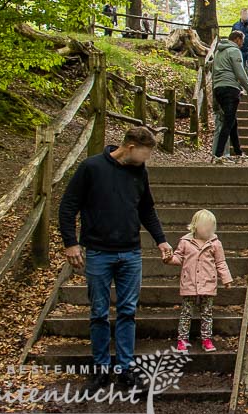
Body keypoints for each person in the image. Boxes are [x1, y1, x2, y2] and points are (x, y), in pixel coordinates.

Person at [58, 126, 173, 394]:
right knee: (98, 312)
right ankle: (99, 368)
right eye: (145, 153)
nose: (147, 159)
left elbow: (146, 209)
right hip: (98, 252)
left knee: (127, 311)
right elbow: (68, 206)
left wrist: (161, 240)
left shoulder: (139, 172)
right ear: (131, 147)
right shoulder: (92, 168)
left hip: (130, 252)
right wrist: (70, 243)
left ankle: (125, 368)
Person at [164, 210, 232, 353]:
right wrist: (169, 259)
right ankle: (182, 339)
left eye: (211, 227)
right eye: (205, 227)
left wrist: (226, 278)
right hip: (189, 282)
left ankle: (206, 339)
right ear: (195, 226)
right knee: (186, 313)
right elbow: (178, 258)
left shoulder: (215, 243)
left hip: (208, 283)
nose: (208, 230)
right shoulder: (185, 242)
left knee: (206, 313)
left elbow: (221, 262)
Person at [211, 30, 248, 164]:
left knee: (232, 122)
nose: (242, 44)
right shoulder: (234, 51)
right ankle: (218, 155)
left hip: (218, 88)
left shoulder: (218, 52)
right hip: (230, 89)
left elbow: (213, 72)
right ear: (237, 39)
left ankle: (238, 153)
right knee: (228, 122)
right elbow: (240, 73)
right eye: (242, 41)